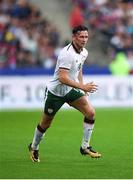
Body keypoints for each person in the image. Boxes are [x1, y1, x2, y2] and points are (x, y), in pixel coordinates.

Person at [28, 25, 101, 162]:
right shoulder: (66, 54)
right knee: (46, 123)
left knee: (90, 112)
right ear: (74, 37)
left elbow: (78, 69)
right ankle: (34, 146)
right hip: (55, 93)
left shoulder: (84, 52)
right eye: (81, 37)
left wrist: (83, 88)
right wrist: (82, 86)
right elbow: (62, 77)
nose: (84, 40)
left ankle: (85, 146)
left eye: (86, 37)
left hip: (70, 90)